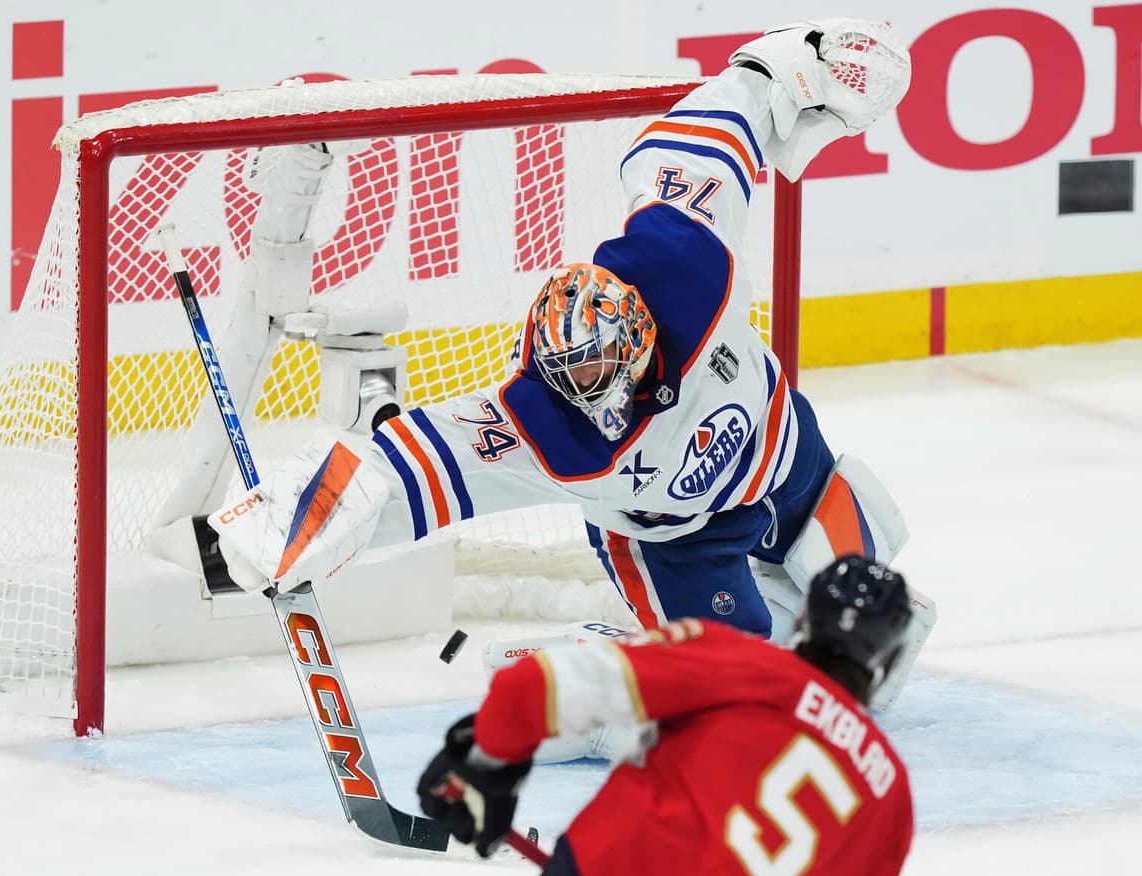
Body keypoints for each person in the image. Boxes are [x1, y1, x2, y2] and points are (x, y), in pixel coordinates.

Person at [207, 17, 933, 709]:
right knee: (741, 691)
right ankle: (593, 672)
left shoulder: (683, 258)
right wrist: (293, 518)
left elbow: (712, 128)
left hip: (782, 450)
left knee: (867, 555)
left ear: (640, 335)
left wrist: (794, 65)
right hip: (674, 539)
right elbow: (408, 466)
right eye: (575, 378)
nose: (591, 393)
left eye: (600, 371)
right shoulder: (539, 424)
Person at [416, 554, 916, 876]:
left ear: (806, 617)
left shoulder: (737, 661)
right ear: (889, 660)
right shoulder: (890, 794)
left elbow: (530, 687)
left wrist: (486, 766)